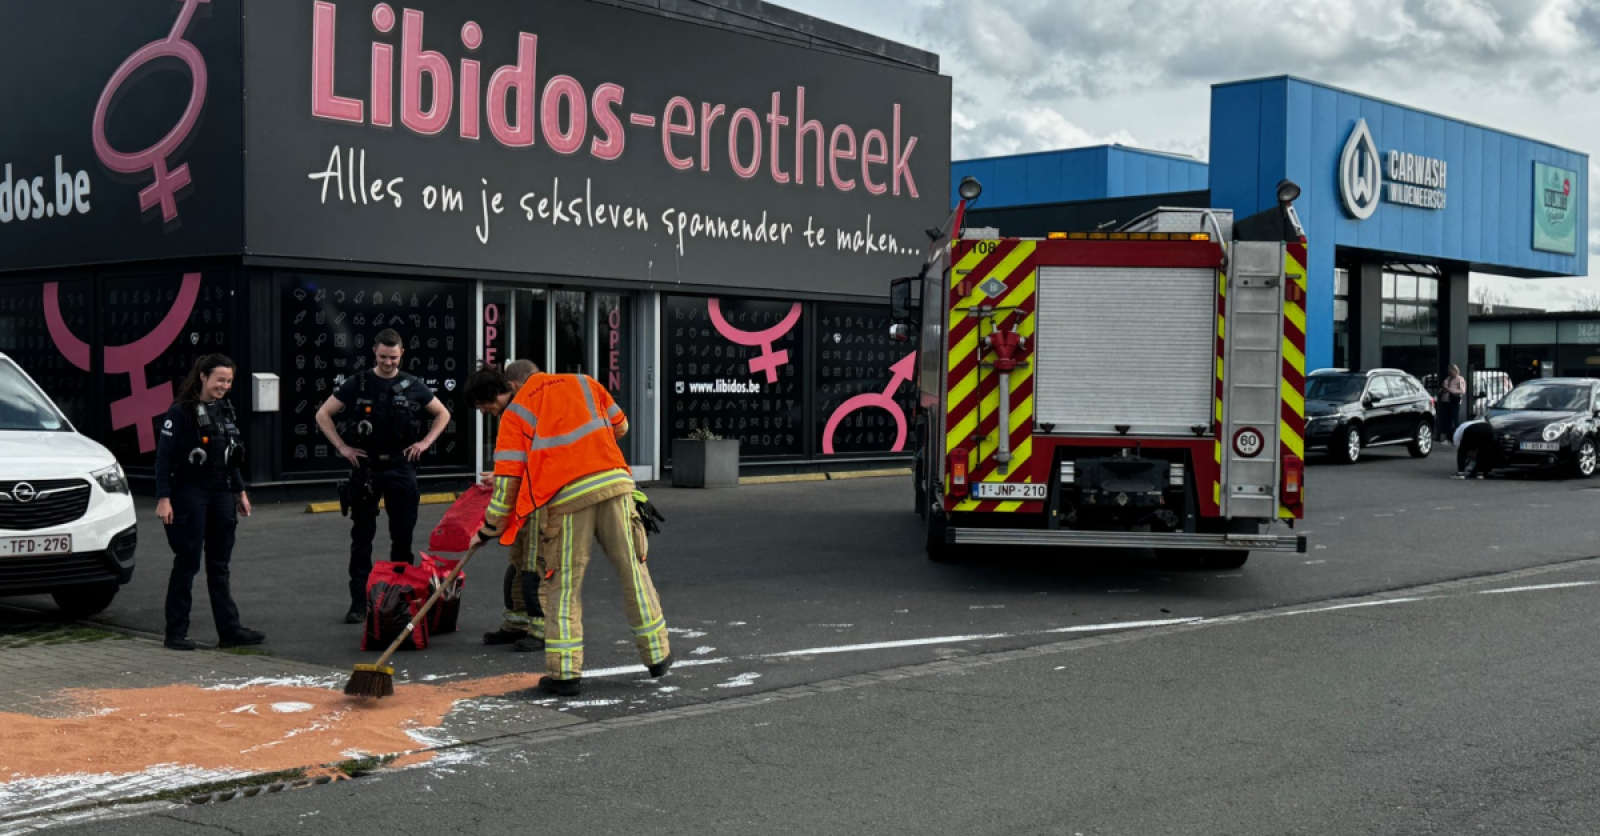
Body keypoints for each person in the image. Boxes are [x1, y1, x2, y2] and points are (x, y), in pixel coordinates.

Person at [468, 366, 670, 698]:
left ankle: (564, 674)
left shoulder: (515, 414)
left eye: (487, 406)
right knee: (634, 571)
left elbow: (506, 485)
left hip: (567, 499)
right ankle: (658, 654)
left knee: (563, 585)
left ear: (510, 386)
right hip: (615, 486)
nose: (490, 412)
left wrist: (488, 529)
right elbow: (621, 426)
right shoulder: (585, 382)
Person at [316, 329, 451, 623]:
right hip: (366, 467)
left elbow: (443, 414)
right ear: (374, 352)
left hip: (401, 467)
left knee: (402, 539)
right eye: (382, 357)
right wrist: (341, 446)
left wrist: (425, 444)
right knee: (361, 538)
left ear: (402, 353)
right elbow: (323, 414)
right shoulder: (358, 383)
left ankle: (398, 601)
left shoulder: (413, 385)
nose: (388, 362)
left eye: (393, 357)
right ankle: (358, 604)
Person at [154, 355, 264, 651]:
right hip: (189, 493)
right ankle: (175, 633)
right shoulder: (180, 412)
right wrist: (164, 498)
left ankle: (229, 631)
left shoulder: (224, 409)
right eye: (220, 380)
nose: (224, 386)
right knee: (187, 563)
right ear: (203, 376)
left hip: (221, 494)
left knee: (220, 566)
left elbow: (230, 456)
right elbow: (163, 457)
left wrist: (240, 492)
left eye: (228, 381)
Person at [472, 359, 546, 652]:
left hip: (542, 499)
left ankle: (540, 630)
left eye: (482, 405)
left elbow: (544, 457)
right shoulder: (513, 415)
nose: (483, 412)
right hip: (525, 498)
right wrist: (502, 475)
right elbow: (523, 459)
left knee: (533, 566)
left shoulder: (525, 411)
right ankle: (516, 624)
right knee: (518, 564)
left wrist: (487, 529)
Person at [1439, 364, 1466, 443]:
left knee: (1455, 419)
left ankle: (1458, 437)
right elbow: (1442, 389)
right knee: (1447, 420)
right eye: (1449, 372)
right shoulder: (1447, 379)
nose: (1450, 373)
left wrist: (1450, 390)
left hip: (1454, 401)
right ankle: (1449, 437)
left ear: (1456, 371)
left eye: (1451, 371)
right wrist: (1442, 391)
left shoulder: (1460, 379)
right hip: (1445, 401)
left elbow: (1462, 391)